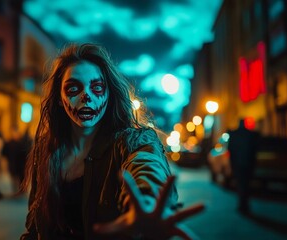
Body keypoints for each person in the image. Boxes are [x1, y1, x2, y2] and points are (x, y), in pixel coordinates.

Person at [20, 43, 204, 239]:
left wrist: (146, 202)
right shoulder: (46, 149)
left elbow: (147, 166)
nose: (86, 97)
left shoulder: (131, 142)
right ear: (59, 97)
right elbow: (35, 228)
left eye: (97, 87)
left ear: (109, 93)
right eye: (73, 88)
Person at [228, 119, 259, 214]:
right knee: (246, 185)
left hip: (239, 164)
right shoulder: (250, 135)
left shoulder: (235, 135)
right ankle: (244, 204)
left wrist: (232, 164)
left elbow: (231, 150)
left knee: (241, 184)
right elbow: (254, 151)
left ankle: (242, 204)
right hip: (247, 164)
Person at [2, 126, 32, 196]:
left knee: (15, 176)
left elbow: (4, 153)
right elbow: (24, 153)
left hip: (14, 163)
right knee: (17, 176)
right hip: (18, 164)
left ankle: (17, 190)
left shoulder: (11, 143)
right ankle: (18, 190)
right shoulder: (20, 143)